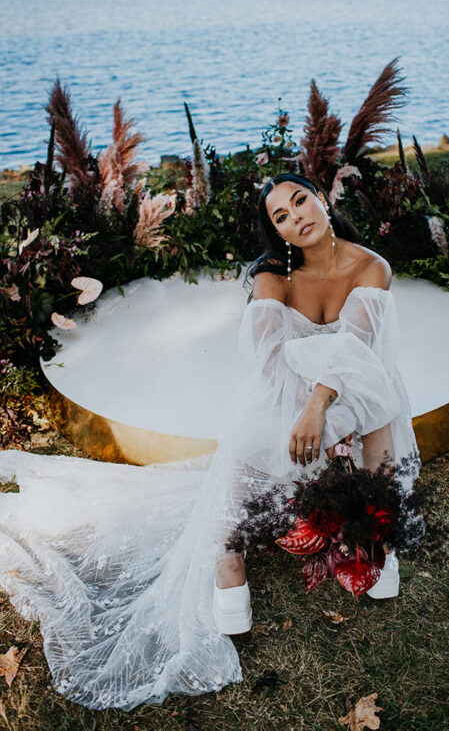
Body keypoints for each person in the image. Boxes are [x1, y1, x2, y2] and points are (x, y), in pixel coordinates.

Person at [0, 174, 423, 711]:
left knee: (379, 407)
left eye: (301, 200)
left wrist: (322, 412)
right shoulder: (273, 274)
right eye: (282, 217)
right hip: (288, 388)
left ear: (321, 197)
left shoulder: (372, 267)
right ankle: (228, 556)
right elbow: (270, 357)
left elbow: (356, 351)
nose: (298, 217)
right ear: (279, 234)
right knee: (249, 429)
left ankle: (374, 533)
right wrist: (299, 411)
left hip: (352, 385)